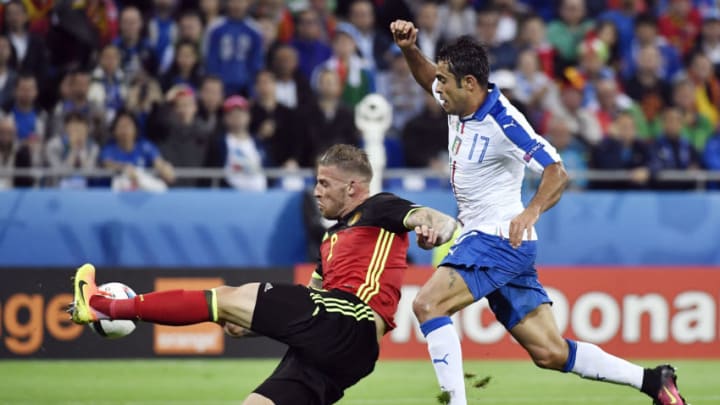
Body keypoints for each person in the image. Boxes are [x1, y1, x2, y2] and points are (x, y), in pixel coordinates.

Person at [389, 20, 688, 405]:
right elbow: (426, 74)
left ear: (470, 84)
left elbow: (556, 172)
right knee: (551, 352)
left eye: (445, 81)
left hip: (497, 238)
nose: (437, 88)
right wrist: (410, 49)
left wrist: (530, 212)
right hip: (496, 240)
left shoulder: (504, 123)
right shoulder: (457, 100)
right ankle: (653, 381)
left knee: (427, 304)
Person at [69, 143, 458, 405]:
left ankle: (104, 305)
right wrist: (249, 324)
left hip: (352, 320)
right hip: (335, 349)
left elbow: (429, 216)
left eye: (324, 183)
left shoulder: (379, 207)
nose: (316, 191)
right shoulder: (331, 239)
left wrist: (436, 227)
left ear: (353, 187)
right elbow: (310, 307)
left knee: (224, 296)